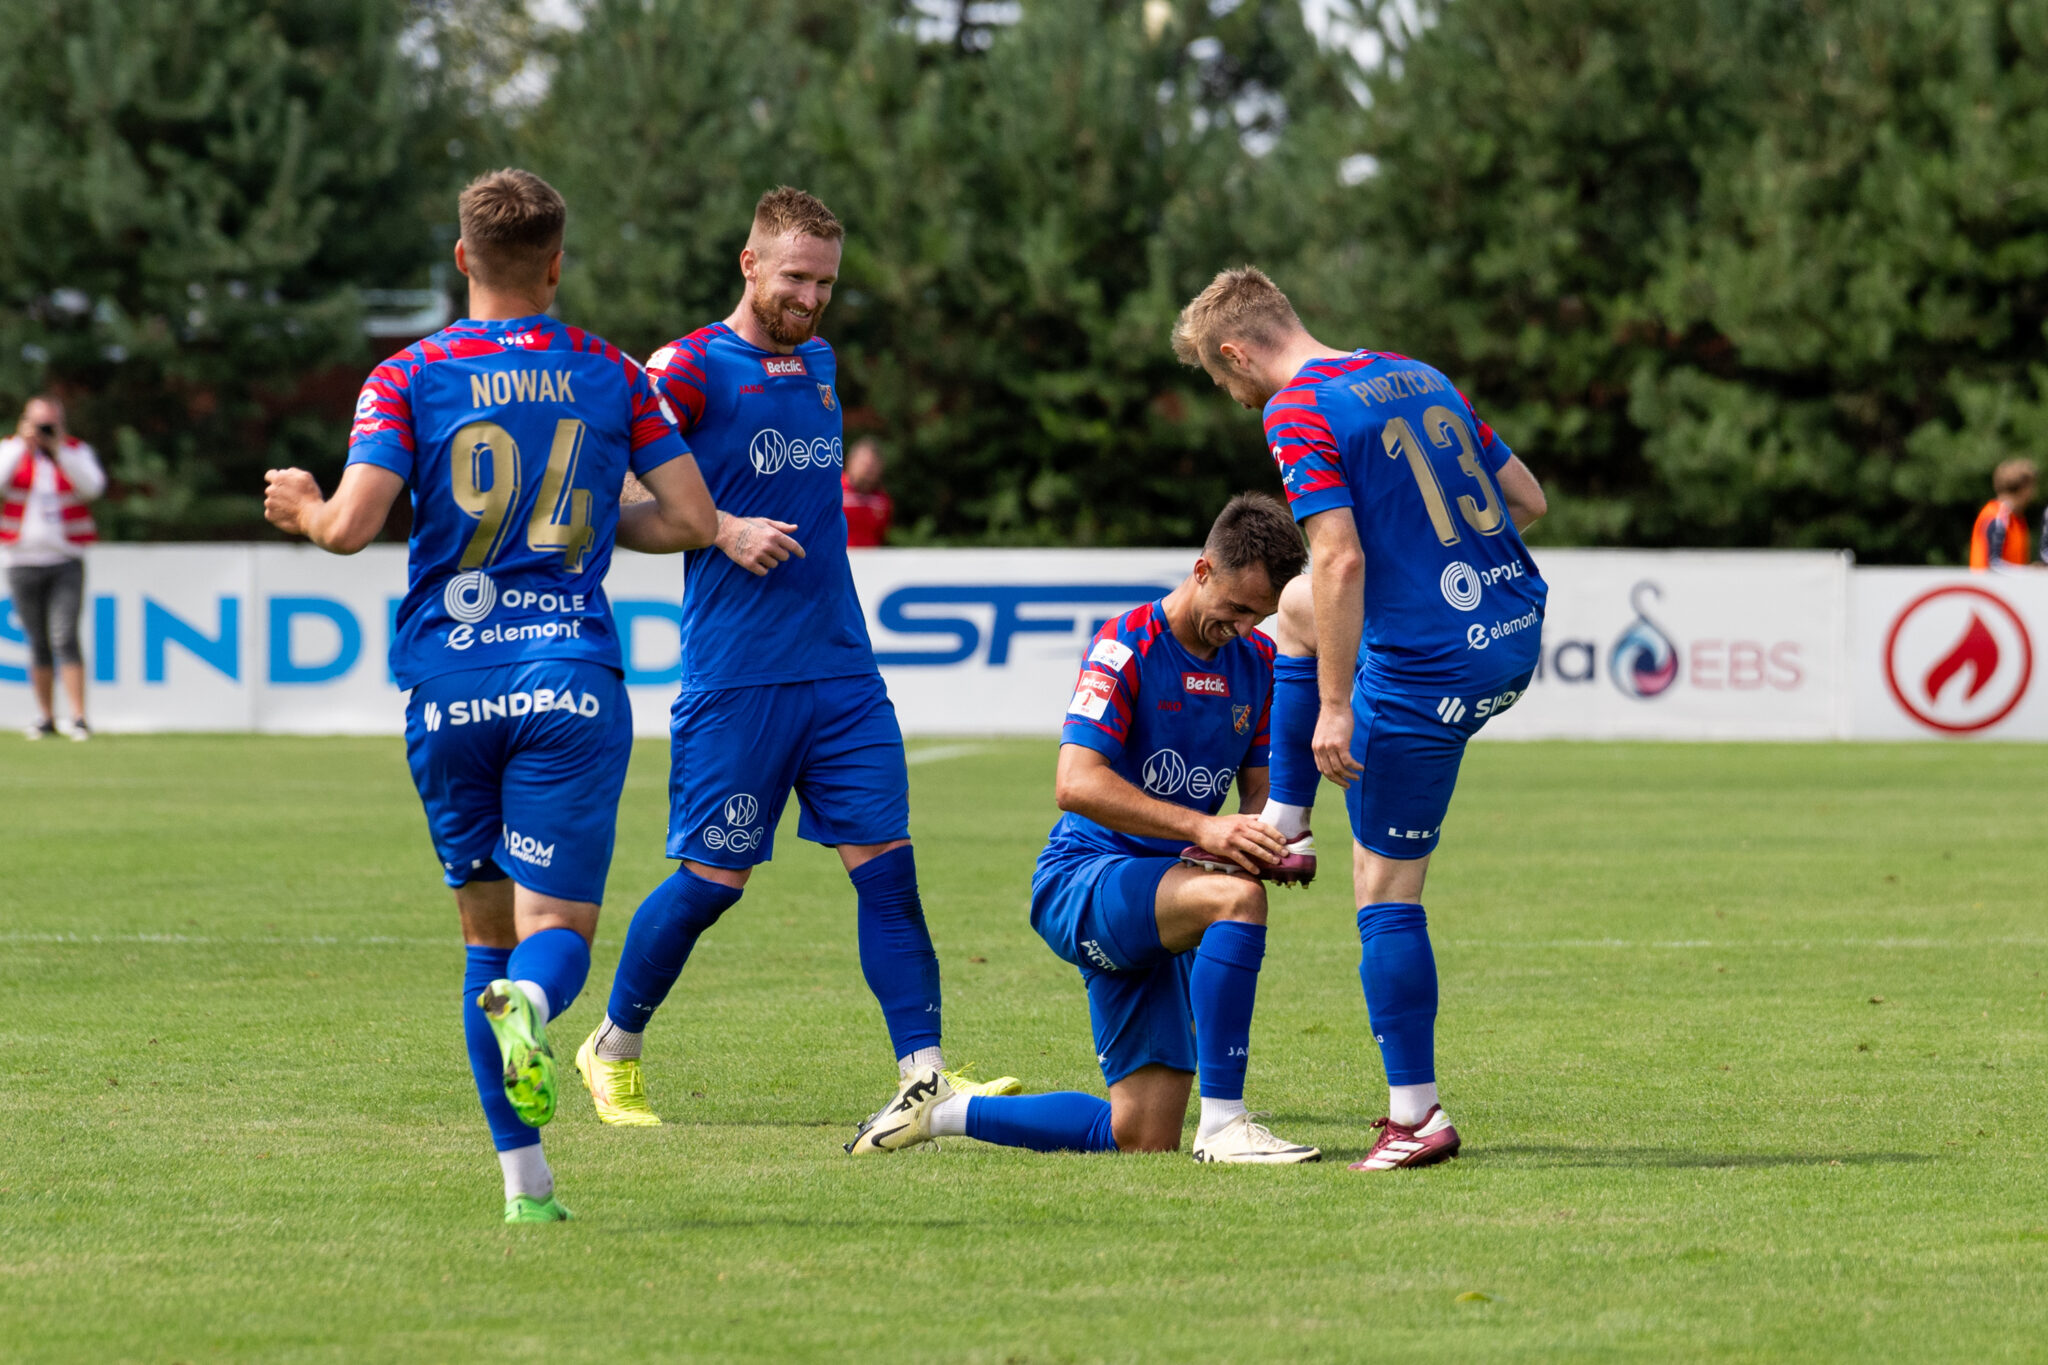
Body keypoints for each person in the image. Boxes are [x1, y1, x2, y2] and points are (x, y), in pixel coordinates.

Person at [261, 169, 717, 1223]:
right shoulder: (608, 373)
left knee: (483, 935)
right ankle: (536, 1006)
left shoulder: (406, 375)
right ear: (556, 265)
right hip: (567, 677)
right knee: (551, 930)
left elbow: (348, 528)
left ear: (461, 258)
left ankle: (526, 1187)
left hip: (446, 682)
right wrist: (598, 518)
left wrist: (300, 505)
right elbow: (688, 518)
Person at [577, 187, 1019, 1143]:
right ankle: (611, 1048)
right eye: (794, 278)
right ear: (748, 264)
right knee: (710, 884)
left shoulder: (817, 361)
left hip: (843, 674)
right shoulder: (686, 368)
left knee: (889, 876)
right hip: (737, 676)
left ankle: (925, 1075)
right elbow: (605, 503)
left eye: (825, 282)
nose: (810, 299)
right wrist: (719, 527)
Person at [1173, 266, 1549, 1172]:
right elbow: (1528, 501)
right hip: (1512, 627)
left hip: (1429, 670)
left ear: (1236, 350)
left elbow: (1339, 559)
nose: (1233, 395)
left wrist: (1334, 708)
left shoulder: (1295, 409)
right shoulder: (1415, 374)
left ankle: (1416, 1115)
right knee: (1294, 609)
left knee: (1383, 892)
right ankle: (1285, 818)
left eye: (1223, 380)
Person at [852, 494, 1323, 1164]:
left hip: (1166, 897)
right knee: (1238, 901)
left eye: (1261, 614)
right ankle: (1225, 1122)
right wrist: (1206, 829)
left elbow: (1257, 790)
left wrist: (1273, 832)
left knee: (1143, 1134)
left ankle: (942, 1111)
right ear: (1202, 570)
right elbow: (1075, 781)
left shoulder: (1255, 662)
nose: (1244, 625)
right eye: (1238, 607)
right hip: (1086, 880)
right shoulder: (1125, 643)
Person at [2, 395, 105, 740]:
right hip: (21, 559)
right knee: (37, 641)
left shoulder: (75, 451)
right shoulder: (11, 452)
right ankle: (45, 716)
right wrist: (21, 444)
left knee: (65, 636)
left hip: (65, 559)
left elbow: (92, 487)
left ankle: (78, 716)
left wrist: (58, 448)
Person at [1968, 458, 2035, 570]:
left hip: (2005, 586)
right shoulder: (1998, 516)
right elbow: (1994, 564)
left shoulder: (2015, 519)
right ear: (2024, 489)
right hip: (1989, 586)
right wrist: (2029, 573)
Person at [841, 436, 892, 547]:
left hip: (871, 560)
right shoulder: (836, 491)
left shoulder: (882, 501)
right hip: (840, 559)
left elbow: (881, 535)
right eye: (864, 464)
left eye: (873, 466)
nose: (868, 470)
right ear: (850, 461)